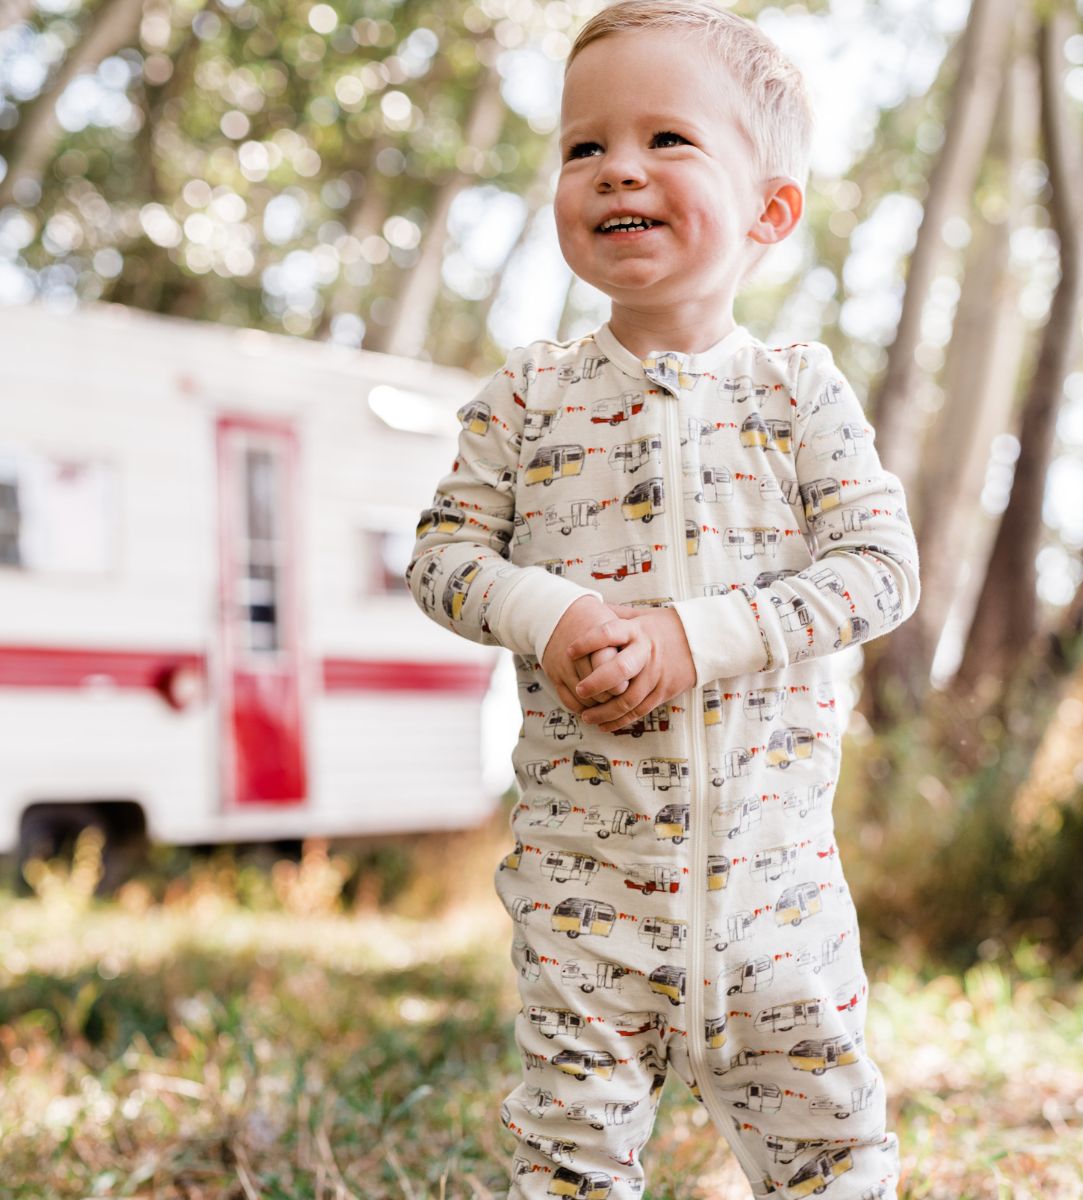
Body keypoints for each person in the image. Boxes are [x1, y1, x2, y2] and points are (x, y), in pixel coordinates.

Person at [405, 2, 920, 1196]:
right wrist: (554, 614)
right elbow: (440, 557)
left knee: (834, 1156)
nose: (615, 167)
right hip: (587, 899)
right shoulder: (526, 398)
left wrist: (701, 636)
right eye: (583, 147)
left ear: (769, 210)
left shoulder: (797, 393)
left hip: (777, 897)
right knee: (567, 1163)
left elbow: (879, 567)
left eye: (667, 140)